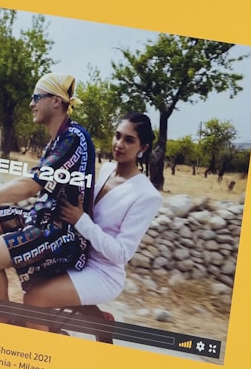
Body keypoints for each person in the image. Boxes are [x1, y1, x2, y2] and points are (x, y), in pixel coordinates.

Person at [0, 73, 95, 314]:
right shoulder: (57, 140)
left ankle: (3, 318)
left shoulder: (73, 138)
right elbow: (31, 182)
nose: (31, 104)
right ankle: (4, 293)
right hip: (42, 220)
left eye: (36, 98)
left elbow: (29, 185)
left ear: (55, 101)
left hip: (63, 234)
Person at [23, 111, 163, 314]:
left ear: (143, 148)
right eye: (118, 136)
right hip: (75, 254)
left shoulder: (147, 195)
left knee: (35, 299)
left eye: (129, 140)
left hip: (102, 272)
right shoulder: (106, 169)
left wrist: (81, 220)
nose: (119, 144)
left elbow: (122, 253)